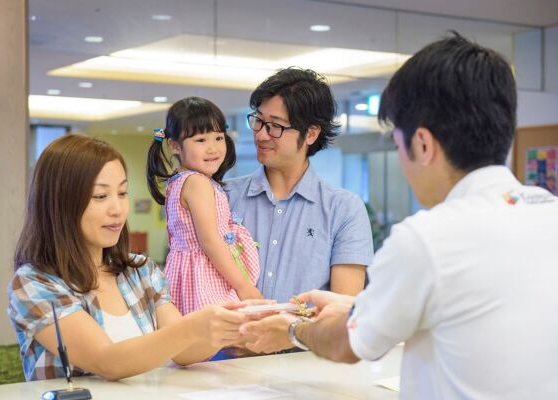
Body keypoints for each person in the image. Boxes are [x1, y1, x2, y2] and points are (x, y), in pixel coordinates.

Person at [241, 33, 558, 399]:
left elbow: (349, 344)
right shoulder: (547, 211)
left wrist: (293, 330)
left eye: (397, 145)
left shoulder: (427, 239)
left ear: (422, 144)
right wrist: (357, 308)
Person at [7, 135, 249, 381]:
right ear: (59, 203)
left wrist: (232, 324)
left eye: (122, 193)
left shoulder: (141, 271)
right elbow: (108, 361)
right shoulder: (35, 283)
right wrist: (195, 326)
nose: (118, 209)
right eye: (100, 196)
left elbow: (185, 352)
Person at [225, 67, 373, 303]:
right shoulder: (223, 196)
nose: (261, 135)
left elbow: (342, 315)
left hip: (303, 341)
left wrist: (286, 330)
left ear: (311, 134)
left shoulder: (343, 210)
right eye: (259, 121)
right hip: (225, 340)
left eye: (275, 126)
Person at [146, 97, 261, 316]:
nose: (213, 148)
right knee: (220, 338)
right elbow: (209, 241)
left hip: (188, 273)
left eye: (218, 137)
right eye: (200, 140)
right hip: (205, 275)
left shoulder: (179, 179)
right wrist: (243, 286)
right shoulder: (197, 183)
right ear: (173, 145)